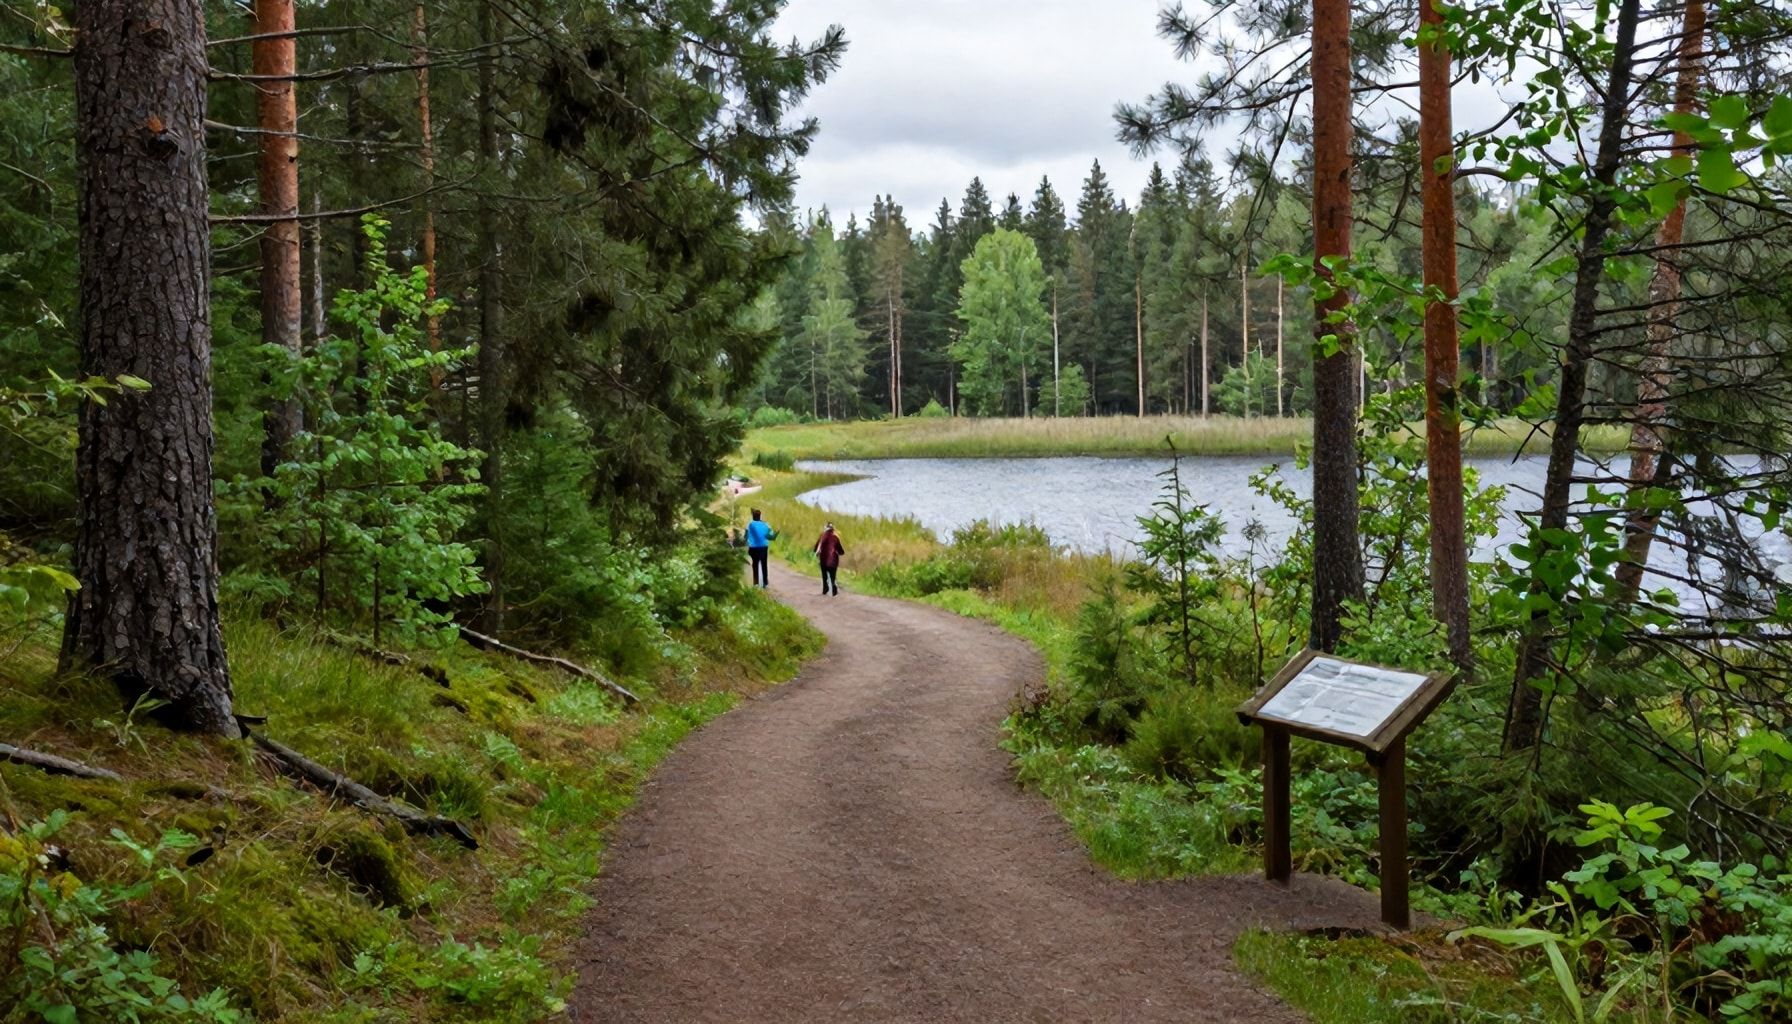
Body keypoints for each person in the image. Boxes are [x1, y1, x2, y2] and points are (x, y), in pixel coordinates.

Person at [743, 508, 775, 588]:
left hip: (754, 548)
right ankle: (765, 583)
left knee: (755, 564)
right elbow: (771, 533)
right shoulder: (765, 524)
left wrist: (746, 541)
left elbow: (745, 537)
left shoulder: (750, 524)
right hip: (764, 547)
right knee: (764, 564)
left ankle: (756, 583)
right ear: (760, 516)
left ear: (753, 516)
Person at [814, 522, 845, 596]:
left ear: (825, 528)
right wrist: (839, 552)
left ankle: (825, 588)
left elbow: (816, 548)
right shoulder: (835, 537)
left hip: (823, 560)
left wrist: (817, 552)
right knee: (832, 576)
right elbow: (841, 551)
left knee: (824, 575)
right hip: (833, 561)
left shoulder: (822, 536)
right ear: (833, 529)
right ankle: (834, 588)